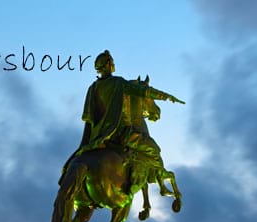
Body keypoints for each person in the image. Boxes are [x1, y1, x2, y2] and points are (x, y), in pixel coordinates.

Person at [73, 50, 183, 195]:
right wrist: (166, 96)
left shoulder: (92, 89)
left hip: (96, 138)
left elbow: (88, 119)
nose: (113, 65)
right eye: (112, 63)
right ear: (108, 65)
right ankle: (159, 178)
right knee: (154, 150)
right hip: (120, 134)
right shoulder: (118, 83)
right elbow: (142, 91)